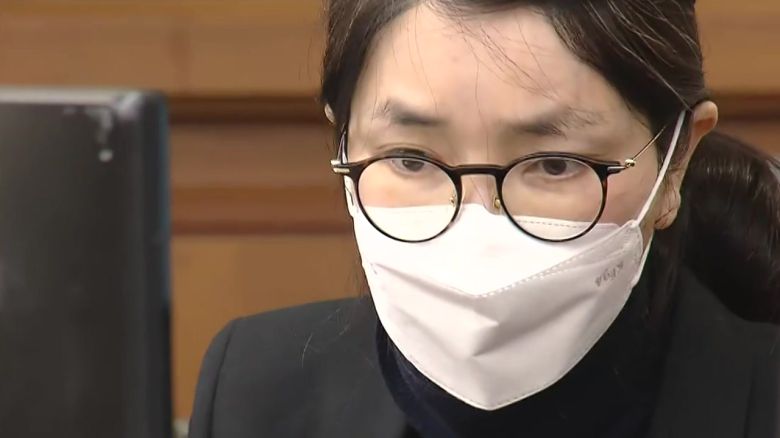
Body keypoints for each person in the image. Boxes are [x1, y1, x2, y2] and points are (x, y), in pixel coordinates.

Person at [189, 1, 780, 437]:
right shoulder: (257, 388)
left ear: (675, 161)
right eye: (411, 159)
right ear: (343, 140)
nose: (476, 232)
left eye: (554, 165)